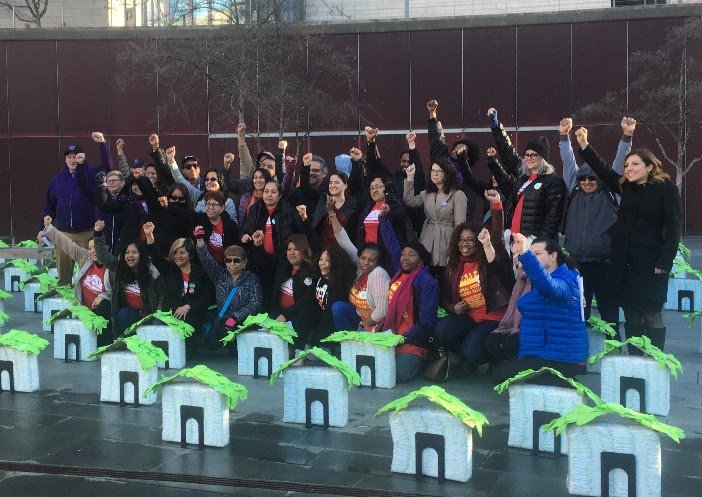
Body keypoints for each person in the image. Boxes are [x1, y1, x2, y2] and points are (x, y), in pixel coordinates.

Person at [575, 127, 682, 352]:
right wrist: (584, 144)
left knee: (651, 314)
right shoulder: (627, 188)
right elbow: (602, 169)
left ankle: (655, 363)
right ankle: (635, 361)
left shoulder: (666, 190)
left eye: (635, 164)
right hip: (624, 261)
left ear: (649, 167)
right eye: (626, 165)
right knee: (631, 313)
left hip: (652, 263)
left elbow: (674, 230)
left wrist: (664, 264)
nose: (629, 168)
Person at [560, 116, 636, 332]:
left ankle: (613, 348)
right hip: (577, 263)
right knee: (578, 311)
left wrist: (627, 136)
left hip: (604, 263)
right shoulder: (574, 190)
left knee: (608, 310)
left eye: (593, 178)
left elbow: (619, 163)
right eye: (584, 178)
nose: (587, 181)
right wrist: (563, 136)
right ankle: (578, 354)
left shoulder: (612, 192)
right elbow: (568, 162)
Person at [491, 234, 588, 384]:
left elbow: (550, 287)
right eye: (531, 253)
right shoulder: (546, 278)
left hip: (562, 357)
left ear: (553, 255)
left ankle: (557, 380)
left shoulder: (565, 280)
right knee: (503, 348)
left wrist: (525, 254)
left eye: (537, 254)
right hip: (543, 349)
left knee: (499, 376)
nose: (534, 258)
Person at [435, 189, 514, 373]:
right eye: (461, 240)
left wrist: (496, 206)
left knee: (471, 352)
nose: (465, 244)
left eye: (470, 240)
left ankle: (495, 358)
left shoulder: (487, 260)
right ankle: (466, 356)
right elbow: (444, 298)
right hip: (469, 317)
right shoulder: (454, 267)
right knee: (441, 329)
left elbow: (497, 237)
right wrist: (453, 308)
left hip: (492, 318)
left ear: (478, 241)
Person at [38, 133, 113, 285]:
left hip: (88, 233)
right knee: (63, 276)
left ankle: (87, 300)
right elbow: (49, 205)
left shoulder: (91, 174)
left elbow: (108, 166)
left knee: (91, 273)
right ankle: (65, 302)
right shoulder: (57, 179)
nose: (72, 160)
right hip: (64, 234)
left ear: (82, 158)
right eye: (69, 157)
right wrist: (42, 228)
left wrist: (102, 144)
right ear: (65, 160)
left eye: (76, 156)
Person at [486, 107, 567, 241]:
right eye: (527, 154)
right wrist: (495, 125)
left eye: (533, 155)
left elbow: (553, 217)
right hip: (515, 240)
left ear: (543, 158)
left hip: (535, 244)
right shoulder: (523, 178)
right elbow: (507, 153)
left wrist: (541, 243)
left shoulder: (553, 182)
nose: (529, 158)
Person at [379, 208, 439, 383]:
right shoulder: (400, 271)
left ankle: (423, 360)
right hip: (390, 334)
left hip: (412, 341)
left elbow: (426, 321)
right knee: (376, 370)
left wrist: (403, 339)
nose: (405, 258)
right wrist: (383, 220)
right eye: (404, 254)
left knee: (396, 375)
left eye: (411, 255)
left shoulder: (426, 280)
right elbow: (392, 244)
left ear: (421, 260)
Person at [144, 222, 214, 357]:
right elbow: (156, 257)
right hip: (171, 317)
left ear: (190, 254)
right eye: (175, 253)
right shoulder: (169, 269)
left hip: (192, 319)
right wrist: (149, 236)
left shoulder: (200, 273)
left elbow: (206, 298)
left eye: (182, 252)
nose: (178, 256)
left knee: (186, 355)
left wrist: (189, 306)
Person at [42, 215, 112, 346]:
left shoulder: (111, 265)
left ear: (105, 247)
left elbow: (118, 292)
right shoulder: (85, 257)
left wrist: (104, 296)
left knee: (104, 305)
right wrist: (49, 228)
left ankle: (104, 345)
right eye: (90, 248)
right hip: (85, 311)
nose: (92, 251)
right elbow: (67, 244)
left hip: (104, 312)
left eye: (96, 247)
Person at [241, 179, 309, 304]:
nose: (268, 195)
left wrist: (304, 218)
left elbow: (302, 232)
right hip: (259, 259)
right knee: (261, 293)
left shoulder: (288, 210)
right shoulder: (256, 209)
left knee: (275, 294)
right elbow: (246, 228)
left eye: (273, 192)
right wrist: (245, 235)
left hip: (282, 260)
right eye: (266, 191)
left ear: (280, 195)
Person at [93, 219, 164, 338]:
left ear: (141, 255)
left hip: (148, 316)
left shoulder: (152, 272)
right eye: (127, 252)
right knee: (124, 314)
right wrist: (98, 233)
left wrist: (157, 318)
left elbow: (161, 297)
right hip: (128, 315)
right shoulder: (120, 266)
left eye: (134, 252)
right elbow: (103, 255)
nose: (130, 255)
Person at [194, 226, 262, 343]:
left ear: (244, 262)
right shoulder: (219, 275)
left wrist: (236, 316)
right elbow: (206, 260)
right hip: (223, 319)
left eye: (236, 260)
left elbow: (255, 303)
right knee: (213, 344)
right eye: (228, 260)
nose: (232, 264)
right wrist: (199, 240)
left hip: (244, 321)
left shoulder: (252, 279)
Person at [331, 204, 390, 331]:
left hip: (375, 323)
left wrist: (363, 325)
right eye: (363, 258)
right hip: (359, 317)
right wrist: (331, 213)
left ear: (378, 262)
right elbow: (343, 240)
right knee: (338, 307)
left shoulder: (378, 274)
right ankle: (345, 341)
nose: (365, 262)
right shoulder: (360, 268)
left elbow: (382, 311)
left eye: (371, 260)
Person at [403, 157, 467, 273]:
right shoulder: (427, 193)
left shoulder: (458, 194)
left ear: (447, 174)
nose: (434, 174)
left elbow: (460, 225)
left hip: (447, 239)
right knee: (426, 271)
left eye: (439, 171)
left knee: (445, 276)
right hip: (428, 238)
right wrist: (410, 178)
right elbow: (410, 201)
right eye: (432, 171)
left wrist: (456, 246)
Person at [427, 99, 481, 222]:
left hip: (452, 224)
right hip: (433, 216)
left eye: (461, 149)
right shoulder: (442, 158)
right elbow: (437, 139)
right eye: (456, 147)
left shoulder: (467, 179)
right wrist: (432, 114)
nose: (456, 150)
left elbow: (468, 210)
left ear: (467, 157)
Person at [269, 234, 318, 352]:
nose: (292, 253)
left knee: (306, 311)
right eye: (289, 249)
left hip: (299, 315)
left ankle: (300, 348)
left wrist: (285, 315)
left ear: (304, 251)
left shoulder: (312, 272)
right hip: (280, 311)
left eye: (296, 249)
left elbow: (306, 301)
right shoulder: (283, 267)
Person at [310, 171, 358, 249]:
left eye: (337, 182)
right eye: (330, 182)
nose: (332, 185)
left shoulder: (352, 205)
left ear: (345, 185)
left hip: (343, 250)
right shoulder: (323, 201)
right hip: (323, 249)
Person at [193, 190, 240, 265]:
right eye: (208, 204)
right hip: (203, 265)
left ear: (222, 208)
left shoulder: (230, 225)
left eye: (215, 204)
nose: (211, 207)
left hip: (226, 266)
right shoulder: (199, 221)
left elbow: (235, 250)